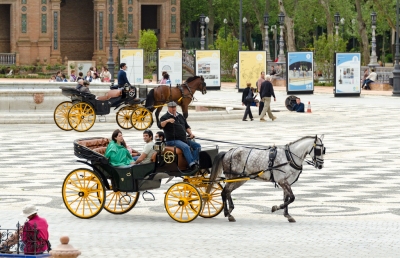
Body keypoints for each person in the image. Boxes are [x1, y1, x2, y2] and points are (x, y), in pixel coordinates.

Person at [159, 101, 201, 172]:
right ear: (168, 108)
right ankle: (192, 164)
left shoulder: (180, 116)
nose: (174, 109)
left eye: (174, 107)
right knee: (185, 147)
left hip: (183, 139)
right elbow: (160, 125)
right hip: (172, 140)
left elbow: (186, 127)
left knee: (197, 146)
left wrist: (190, 133)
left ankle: (194, 162)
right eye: (172, 107)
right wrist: (167, 121)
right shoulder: (164, 117)